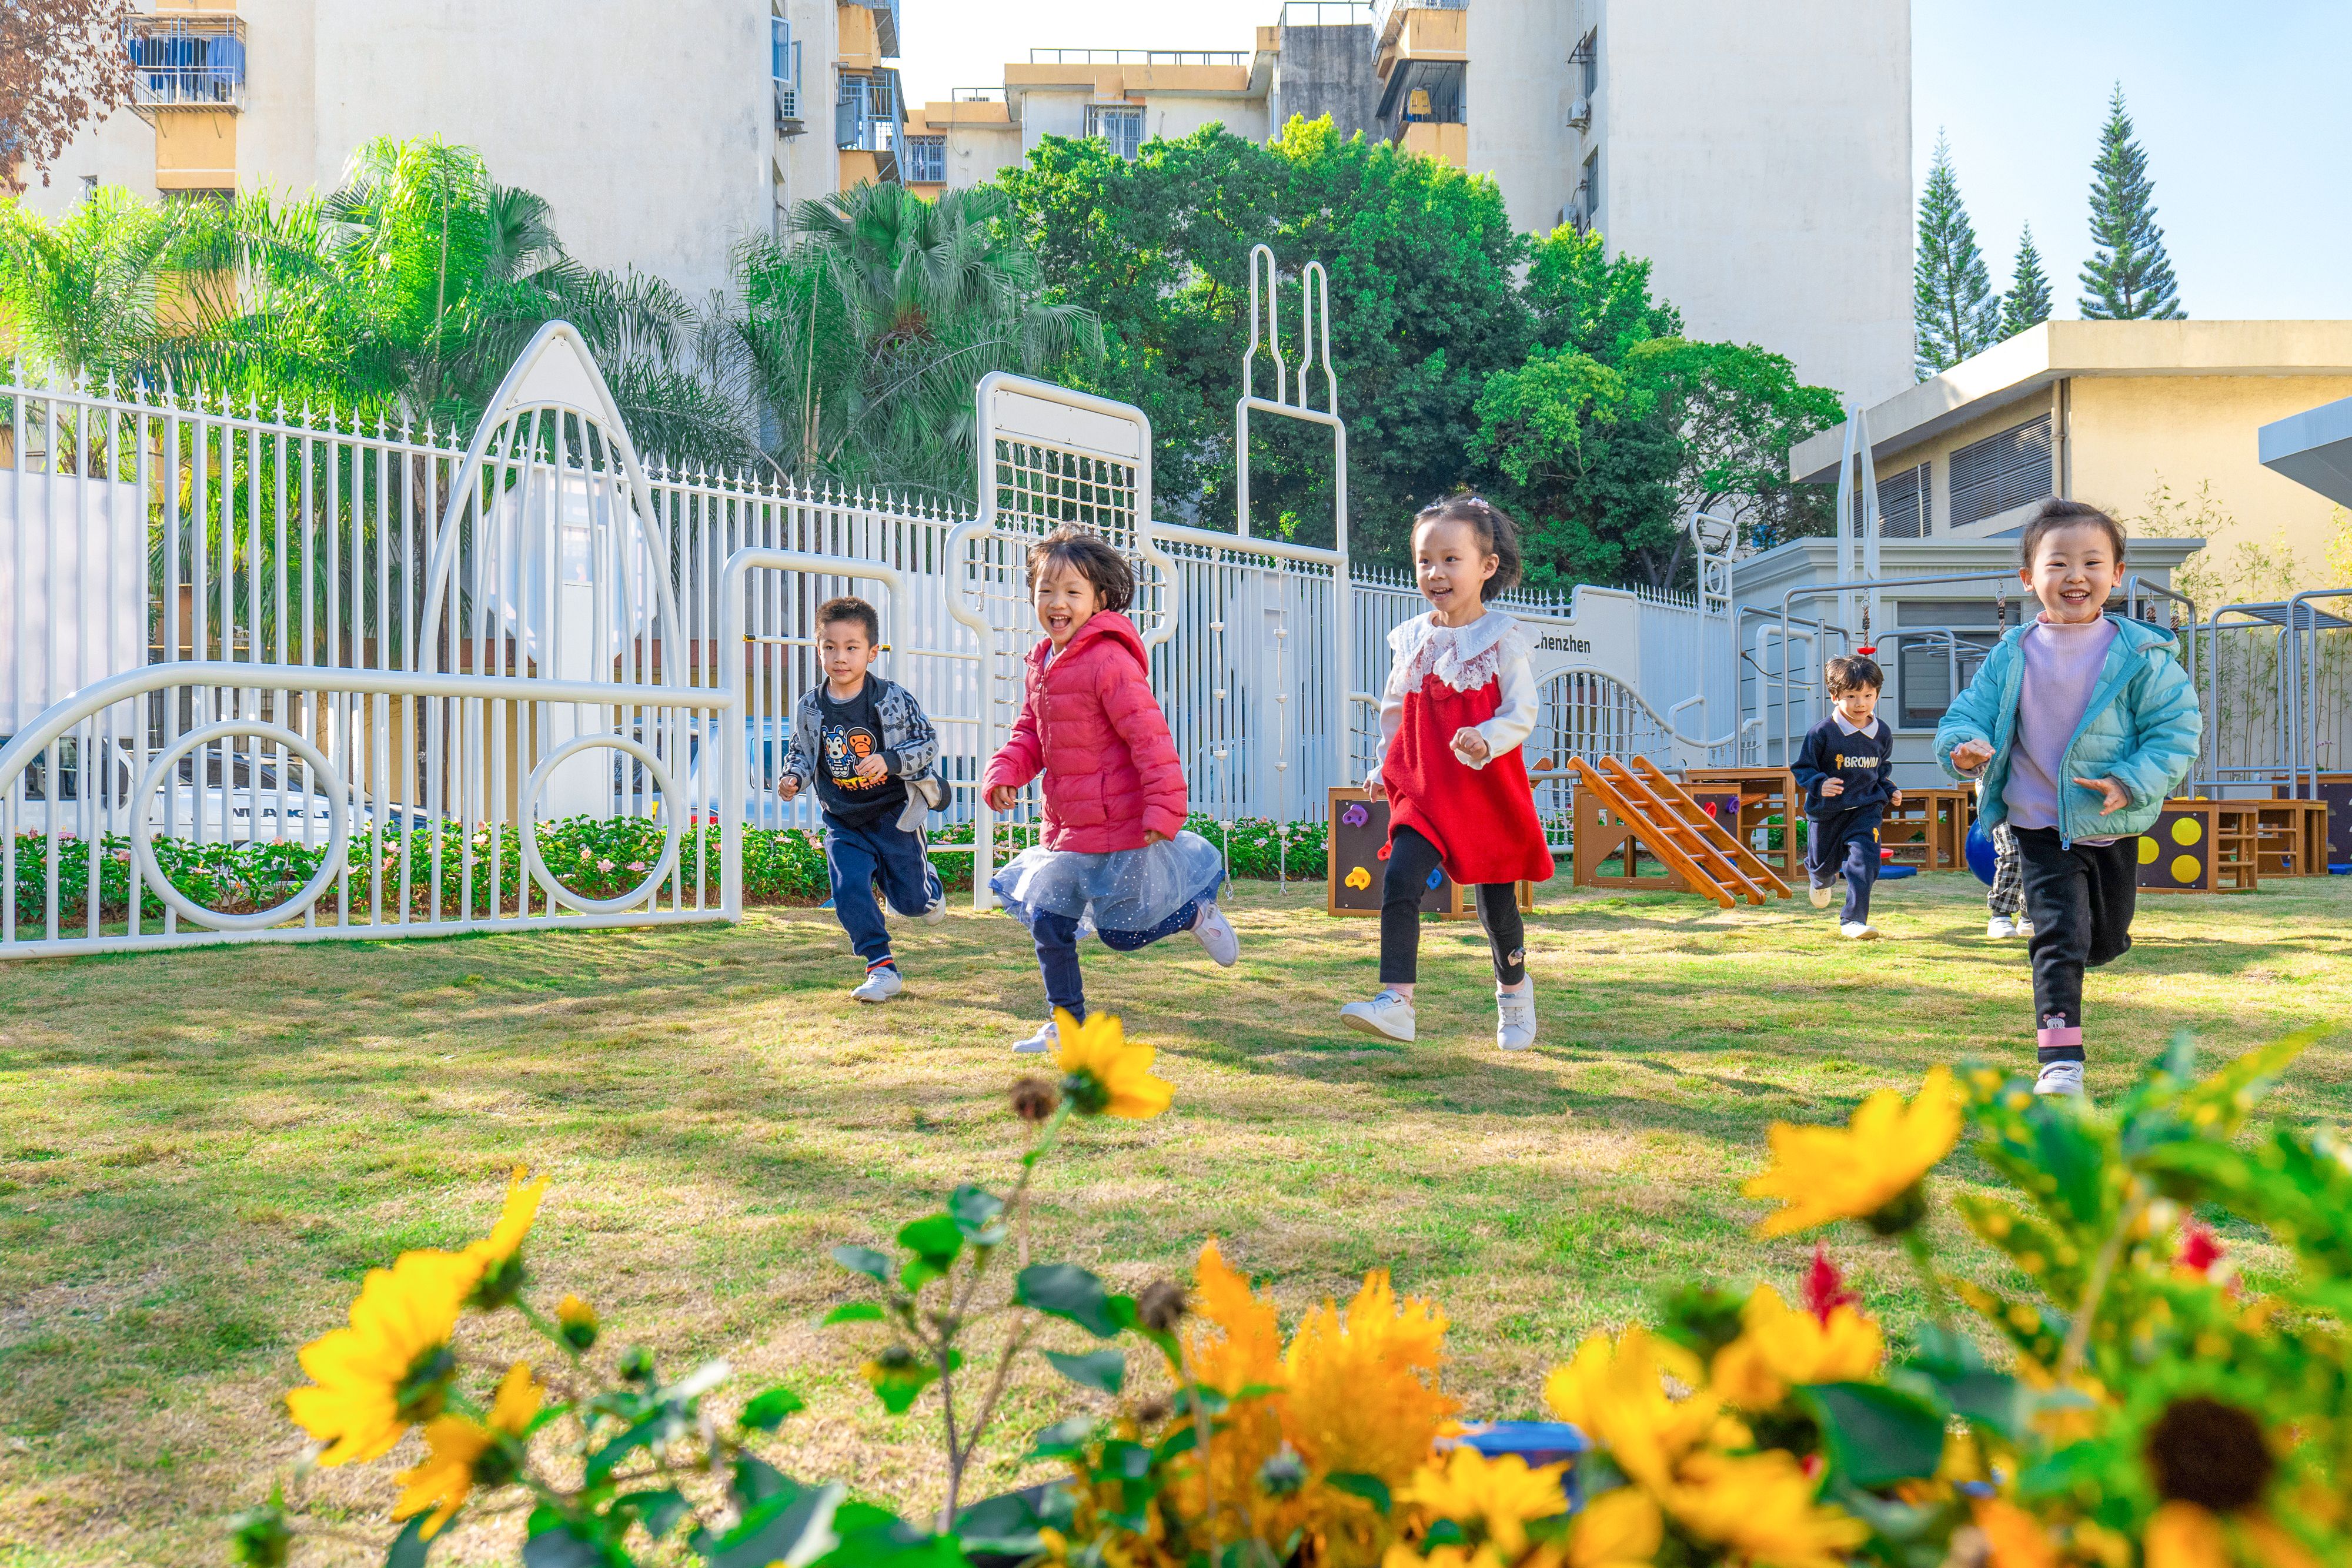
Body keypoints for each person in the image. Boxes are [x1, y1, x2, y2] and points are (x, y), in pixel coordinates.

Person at [1938, 499, 2200, 1098]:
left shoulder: (2142, 656)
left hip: (2109, 823)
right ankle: (2060, 1064)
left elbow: (2176, 730)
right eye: (2057, 563)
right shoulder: (2011, 654)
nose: (2075, 576)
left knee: (2101, 939)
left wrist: (2131, 780)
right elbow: (1966, 715)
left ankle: (2094, 943)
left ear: (2117, 573)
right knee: (2057, 939)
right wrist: (1962, 747)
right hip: (2037, 825)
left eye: (2091, 562)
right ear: (2029, 578)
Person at [981, 526, 1239, 1055]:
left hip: (1123, 826)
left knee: (1122, 933)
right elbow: (1031, 731)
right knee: (1049, 922)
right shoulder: (1043, 665)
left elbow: (1150, 739)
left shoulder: (1109, 661)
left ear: (1099, 599)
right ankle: (1068, 1028)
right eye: (1046, 591)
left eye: (1072, 592)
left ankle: (1194, 914)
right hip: (1069, 829)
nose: (1058, 604)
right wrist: (1005, 771)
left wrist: (1165, 809)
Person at [1340, 495, 1555, 1051]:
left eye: (1451, 559)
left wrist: (1488, 736)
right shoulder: (1412, 639)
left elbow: (1522, 711)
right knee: (1401, 881)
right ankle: (1397, 1002)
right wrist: (1386, 765)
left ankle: (1513, 990)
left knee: (1497, 907)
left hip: (1484, 790)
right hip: (1426, 788)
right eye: (1424, 560)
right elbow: (1394, 711)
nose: (1436, 573)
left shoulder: (1503, 639)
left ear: (1487, 566)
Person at [777, 596, 951, 1003]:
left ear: (872, 652)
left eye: (852, 647)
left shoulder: (892, 698)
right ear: (818, 648)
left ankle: (928, 886)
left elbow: (927, 743)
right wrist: (793, 777)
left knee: (911, 903)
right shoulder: (810, 706)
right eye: (830, 647)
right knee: (849, 886)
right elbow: (800, 751)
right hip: (843, 817)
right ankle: (881, 966)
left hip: (894, 814)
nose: (841, 657)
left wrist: (890, 761)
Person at [1791, 655, 1901, 941]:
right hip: (1827, 811)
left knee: (1866, 860)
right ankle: (1820, 878)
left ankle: (1853, 919)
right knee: (1825, 866)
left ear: (1877, 694)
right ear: (1835, 696)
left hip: (1867, 808)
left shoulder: (1883, 732)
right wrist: (1820, 783)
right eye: (1851, 696)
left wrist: (1890, 790)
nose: (1860, 704)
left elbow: (1880, 770)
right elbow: (1802, 768)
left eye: (1868, 695)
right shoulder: (1822, 732)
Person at [1984, 809, 2032, 940]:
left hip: (2040, 806)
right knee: (2013, 854)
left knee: (2038, 855)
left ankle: (2028, 916)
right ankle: (2000, 916)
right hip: (2004, 807)